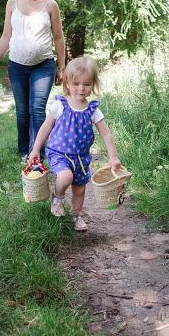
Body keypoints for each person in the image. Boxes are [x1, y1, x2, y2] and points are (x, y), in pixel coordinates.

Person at [27, 56, 123, 231]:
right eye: (76, 83)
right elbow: (45, 127)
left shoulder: (93, 110)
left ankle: (75, 216)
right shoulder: (60, 105)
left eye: (86, 84)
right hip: (58, 153)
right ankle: (58, 198)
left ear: (92, 84)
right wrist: (35, 150)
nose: (81, 88)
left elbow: (106, 134)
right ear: (67, 83)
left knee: (79, 191)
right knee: (65, 177)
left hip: (81, 158)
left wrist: (113, 157)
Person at [0, 0, 65, 163]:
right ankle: (24, 150)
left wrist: (62, 67)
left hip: (43, 65)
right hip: (17, 66)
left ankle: (38, 154)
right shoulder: (12, 3)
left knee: (37, 109)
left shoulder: (50, 5)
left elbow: (58, 37)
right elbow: (6, 35)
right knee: (22, 111)